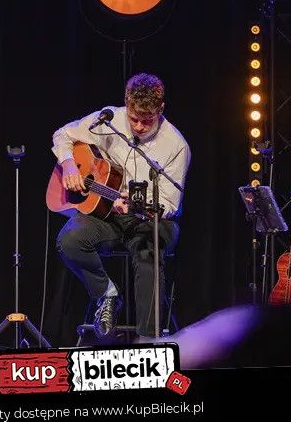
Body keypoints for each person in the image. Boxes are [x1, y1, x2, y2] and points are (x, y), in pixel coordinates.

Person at [52, 73, 191, 338]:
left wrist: (139, 208)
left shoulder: (175, 146)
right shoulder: (108, 120)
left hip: (149, 219)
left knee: (150, 253)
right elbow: (63, 135)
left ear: (161, 109)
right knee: (69, 240)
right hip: (106, 215)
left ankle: (148, 339)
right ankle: (106, 294)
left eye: (147, 121)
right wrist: (68, 164)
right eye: (134, 118)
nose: (139, 127)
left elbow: (170, 203)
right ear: (126, 104)